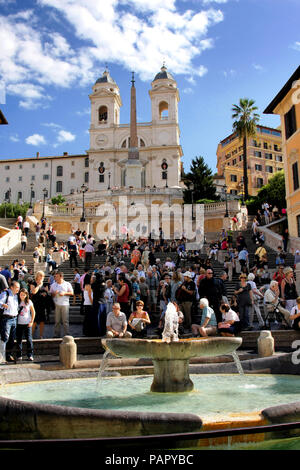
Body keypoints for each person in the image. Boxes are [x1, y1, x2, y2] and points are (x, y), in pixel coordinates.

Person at [0, 281, 20, 363]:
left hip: (14, 318)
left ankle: (8, 355)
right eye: (17, 287)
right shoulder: (5, 294)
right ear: (11, 287)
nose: (18, 289)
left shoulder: (16, 296)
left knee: (12, 338)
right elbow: (0, 302)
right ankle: (2, 357)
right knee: (5, 338)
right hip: (7, 319)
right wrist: (3, 304)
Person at [50, 272, 73, 338]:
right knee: (57, 321)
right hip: (56, 304)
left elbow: (72, 293)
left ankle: (67, 334)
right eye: (55, 276)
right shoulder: (53, 285)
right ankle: (56, 334)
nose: (55, 278)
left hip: (65, 304)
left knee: (65, 320)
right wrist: (54, 293)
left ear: (61, 277)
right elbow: (51, 294)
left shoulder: (67, 284)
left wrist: (64, 293)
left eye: (56, 276)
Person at [16, 288, 35, 361]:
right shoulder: (17, 301)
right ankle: (19, 355)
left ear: (26, 295)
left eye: (24, 295)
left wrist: (32, 321)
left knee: (29, 339)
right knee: (19, 340)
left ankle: (30, 354)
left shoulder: (29, 302)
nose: (22, 296)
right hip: (19, 323)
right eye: (21, 295)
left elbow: (33, 312)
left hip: (27, 323)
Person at [30, 271, 50, 339]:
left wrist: (45, 293)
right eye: (40, 275)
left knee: (42, 321)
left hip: (43, 304)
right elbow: (33, 292)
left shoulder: (45, 284)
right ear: (37, 276)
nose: (42, 277)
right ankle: (31, 335)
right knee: (34, 321)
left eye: (43, 276)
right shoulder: (33, 283)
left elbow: (48, 293)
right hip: (35, 304)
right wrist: (38, 285)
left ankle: (41, 335)